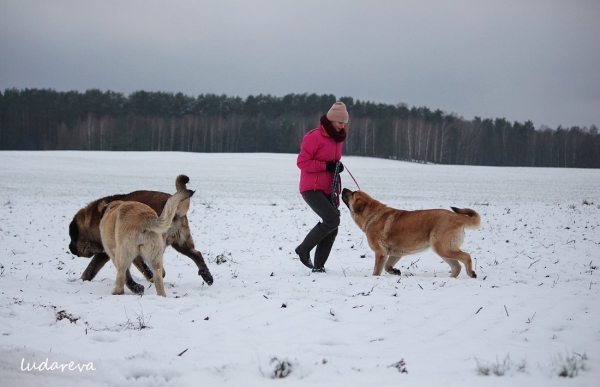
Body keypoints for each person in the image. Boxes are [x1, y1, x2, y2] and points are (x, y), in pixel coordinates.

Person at [295, 101, 348, 273]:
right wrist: (327, 166)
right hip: (311, 188)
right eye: (340, 122)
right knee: (332, 220)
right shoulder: (314, 136)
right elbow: (302, 162)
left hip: (328, 189)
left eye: (344, 123)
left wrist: (337, 167)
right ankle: (303, 249)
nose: (342, 126)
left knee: (332, 226)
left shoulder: (338, 139)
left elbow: (332, 161)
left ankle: (319, 267)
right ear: (332, 120)